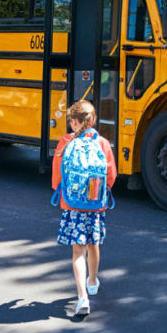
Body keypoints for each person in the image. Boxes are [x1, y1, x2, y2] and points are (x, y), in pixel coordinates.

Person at [52, 100, 116, 317]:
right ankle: (92, 280)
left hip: (72, 205)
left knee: (77, 250)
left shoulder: (65, 143)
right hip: (95, 204)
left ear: (73, 122)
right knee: (92, 243)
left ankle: (82, 298)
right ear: (94, 120)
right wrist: (99, 193)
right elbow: (111, 176)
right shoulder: (103, 144)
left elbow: (56, 179)